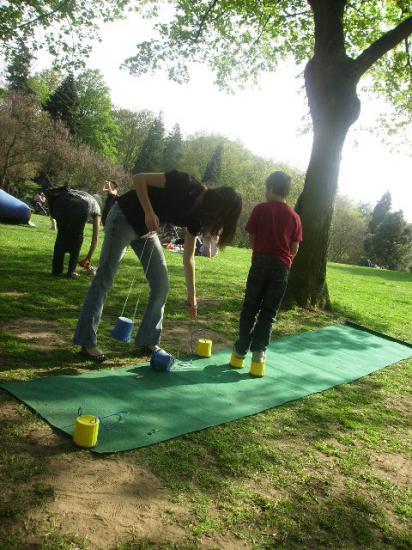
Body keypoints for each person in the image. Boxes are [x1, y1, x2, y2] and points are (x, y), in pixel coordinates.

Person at [73, 170, 242, 362]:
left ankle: (148, 340)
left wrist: (192, 296)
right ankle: (87, 342)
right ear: (217, 205)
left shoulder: (197, 217)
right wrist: (149, 211)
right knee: (105, 278)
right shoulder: (185, 183)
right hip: (124, 218)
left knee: (161, 285)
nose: (215, 224)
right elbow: (139, 179)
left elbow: (189, 257)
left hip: (147, 232)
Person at [230, 171, 302, 373]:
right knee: (269, 312)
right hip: (281, 267)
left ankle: (240, 348)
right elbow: (295, 248)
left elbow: (252, 236)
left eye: (265, 188)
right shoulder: (295, 217)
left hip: (260, 263)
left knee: (250, 307)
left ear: (270, 188)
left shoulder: (261, 209)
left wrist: (259, 251)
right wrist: (284, 260)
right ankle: (259, 354)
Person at [46, 188, 101, 279]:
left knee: (61, 235)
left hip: (61, 201)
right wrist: (88, 257)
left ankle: (56, 270)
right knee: (77, 238)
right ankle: (71, 272)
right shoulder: (96, 206)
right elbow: (95, 237)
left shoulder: (84, 194)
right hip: (79, 205)